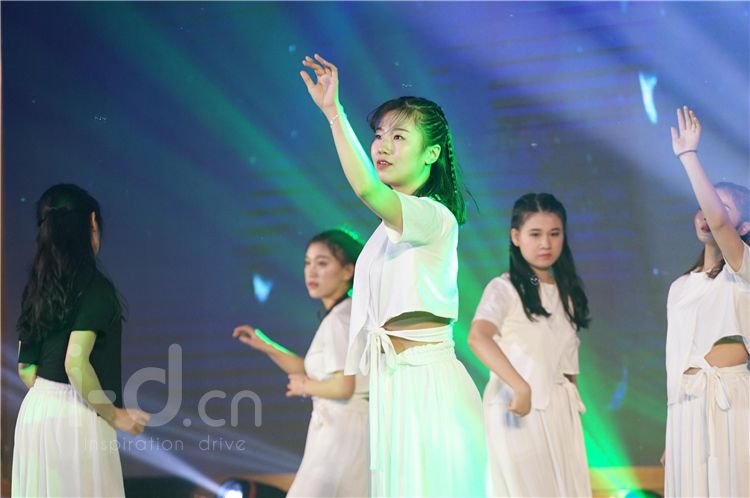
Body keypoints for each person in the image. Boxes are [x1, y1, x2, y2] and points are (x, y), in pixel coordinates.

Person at [300, 53, 485, 497]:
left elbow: (367, 188)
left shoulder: (433, 216)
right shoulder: (385, 232)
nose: (382, 146)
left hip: (427, 382)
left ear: (432, 153)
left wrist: (334, 114)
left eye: (399, 137)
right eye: (379, 135)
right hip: (394, 383)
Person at [13, 184, 149, 497]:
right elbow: (75, 363)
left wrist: (51, 399)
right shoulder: (96, 289)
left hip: (35, 413)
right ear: (92, 222)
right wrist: (116, 415)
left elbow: (25, 369)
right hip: (79, 414)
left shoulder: (38, 286)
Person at [469, 192, 592, 497]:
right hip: (518, 410)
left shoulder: (566, 293)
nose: (545, 244)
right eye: (535, 234)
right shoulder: (505, 288)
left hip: (559, 413)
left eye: (554, 233)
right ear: (516, 237)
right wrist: (520, 386)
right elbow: (478, 337)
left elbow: (568, 367)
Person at [232, 229, 369, 497]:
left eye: (322, 263)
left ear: (347, 271)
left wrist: (304, 387)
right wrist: (265, 345)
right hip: (340, 429)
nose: (311, 272)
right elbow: (312, 370)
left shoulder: (340, 319)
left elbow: (343, 386)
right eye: (307, 263)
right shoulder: (343, 313)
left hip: (341, 433)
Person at [662, 106, 749, 497]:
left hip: (730, 404)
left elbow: (719, 223)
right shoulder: (680, 287)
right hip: (686, 408)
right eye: (705, 202)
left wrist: (688, 156)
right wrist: (672, 431)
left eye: (721, 205)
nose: (708, 212)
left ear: (743, 226)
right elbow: (674, 362)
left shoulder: (743, 270)